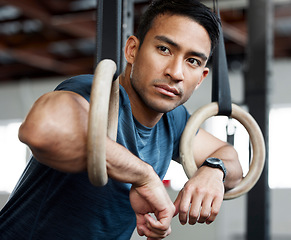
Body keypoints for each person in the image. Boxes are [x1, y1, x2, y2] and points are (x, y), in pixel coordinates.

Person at [0, 0, 243, 239]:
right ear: (132, 50)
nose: (176, 73)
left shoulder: (174, 120)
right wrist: (144, 176)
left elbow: (228, 157)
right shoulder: (94, 93)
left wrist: (214, 170)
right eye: (164, 49)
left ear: (201, 78)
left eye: (192, 61)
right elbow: (40, 130)